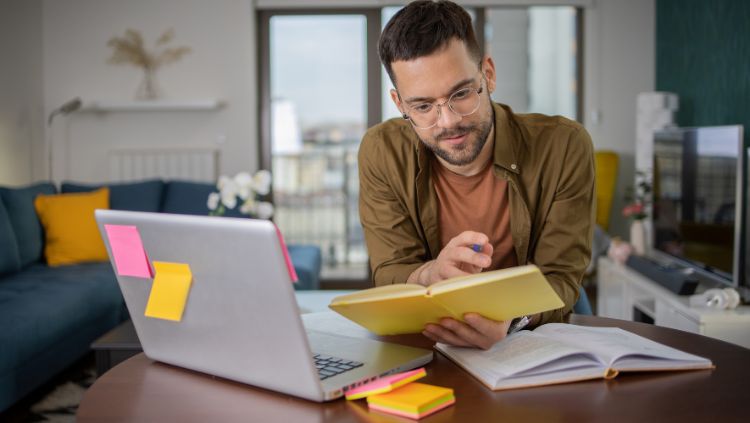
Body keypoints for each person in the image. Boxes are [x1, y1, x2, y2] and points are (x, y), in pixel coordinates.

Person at [357, 0, 596, 350]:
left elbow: (560, 277)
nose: (449, 120)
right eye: (423, 106)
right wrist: (431, 274)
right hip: (432, 344)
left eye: (461, 93)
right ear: (399, 104)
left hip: (528, 342)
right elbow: (390, 270)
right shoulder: (381, 151)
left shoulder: (564, 145)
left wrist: (510, 321)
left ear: (488, 74)